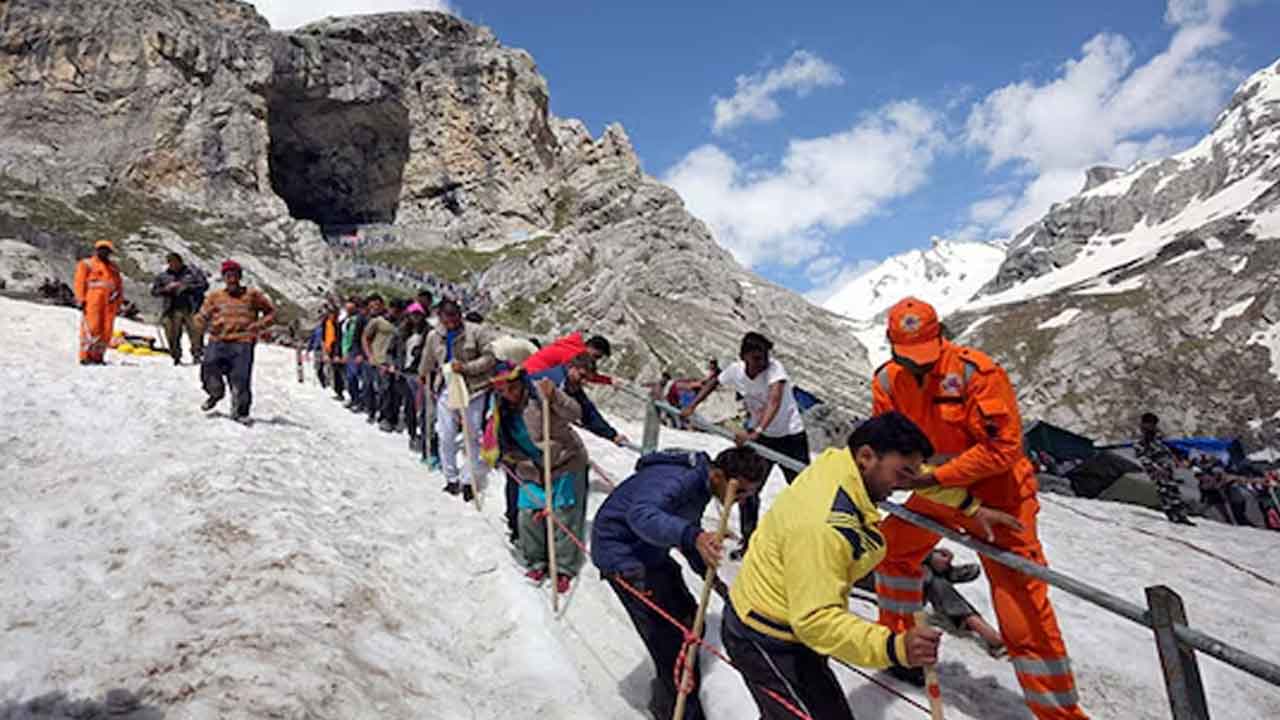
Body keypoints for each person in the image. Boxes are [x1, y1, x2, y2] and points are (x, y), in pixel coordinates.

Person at [871, 297, 1088, 719]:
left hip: (999, 496)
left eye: (925, 357)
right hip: (940, 492)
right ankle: (901, 651)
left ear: (942, 337)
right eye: (908, 359)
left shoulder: (977, 372)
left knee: (1021, 604)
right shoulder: (886, 382)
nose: (918, 367)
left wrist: (936, 477)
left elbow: (1004, 448)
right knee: (891, 550)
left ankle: (1058, 713)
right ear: (892, 347)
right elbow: (889, 439)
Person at [724, 412, 992, 720]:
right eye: (902, 474)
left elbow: (915, 473)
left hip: (786, 617)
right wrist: (894, 647)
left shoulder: (841, 466)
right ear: (866, 456)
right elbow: (815, 620)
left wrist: (968, 505)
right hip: (766, 637)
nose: (908, 484)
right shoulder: (823, 527)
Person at [593, 446, 772, 720]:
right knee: (670, 640)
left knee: (689, 618)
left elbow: (686, 528)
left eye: (747, 495)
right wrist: (694, 536)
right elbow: (642, 516)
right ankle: (679, 712)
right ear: (718, 476)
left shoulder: (702, 485)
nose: (739, 501)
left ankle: (670, 696)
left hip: (650, 551)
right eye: (738, 492)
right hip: (624, 557)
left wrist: (707, 571)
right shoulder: (677, 481)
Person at [681, 332, 810, 560]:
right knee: (749, 490)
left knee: (803, 490)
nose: (762, 363)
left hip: (791, 437)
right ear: (744, 357)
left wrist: (756, 431)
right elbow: (713, 383)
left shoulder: (775, 370)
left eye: (764, 358)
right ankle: (749, 541)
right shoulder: (736, 370)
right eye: (757, 358)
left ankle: (807, 543)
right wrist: (692, 406)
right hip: (762, 437)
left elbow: (774, 400)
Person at [493, 365, 588, 593]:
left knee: (564, 516)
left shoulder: (541, 392)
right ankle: (537, 561)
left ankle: (564, 567)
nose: (509, 394)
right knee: (528, 516)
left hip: (564, 462)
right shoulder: (500, 408)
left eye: (512, 387)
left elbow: (576, 413)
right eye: (503, 389)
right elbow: (497, 437)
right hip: (529, 467)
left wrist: (554, 396)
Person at [854, 548, 1005, 657]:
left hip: (875, 563)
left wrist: (929, 555)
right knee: (926, 577)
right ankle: (946, 575)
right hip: (861, 573)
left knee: (924, 573)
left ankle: (943, 572)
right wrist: (929, 557)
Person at [419, 298, 495, 501]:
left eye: (454, 317)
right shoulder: (434, 336)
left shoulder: (477, 332)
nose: (451, 322)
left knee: (472, 434)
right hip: (446, 387)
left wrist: (466, 367)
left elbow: (490, 357)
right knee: (445, 434)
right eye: (447, 318)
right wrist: (422, 374)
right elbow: (428, 359)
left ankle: (469, 480)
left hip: (474, 389)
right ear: (441, 318)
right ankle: (450, 477)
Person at [194, 260, 276, 424]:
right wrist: (200, 327)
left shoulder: (252, 295)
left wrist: (258, 326)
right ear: (224, 278)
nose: (231, 279)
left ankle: (240, 411)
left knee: (240, 377)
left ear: (239, 277)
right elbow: (201, 317)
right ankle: (215, 393)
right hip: (218, 340)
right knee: (209, 368)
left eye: (234, 275)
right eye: (228, 276)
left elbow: (271, 313)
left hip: (243, 341)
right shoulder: (215, 297)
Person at [1135, 412, 1195, 526]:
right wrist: (1155, 468)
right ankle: (1173, 515)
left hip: (1166, 468)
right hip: (1157, 471)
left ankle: (1181, 515)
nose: (1152, 427)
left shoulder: (1157, 438)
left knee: (1174, 491)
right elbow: (1142, 457)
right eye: (1150, 424)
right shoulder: (1142, 440)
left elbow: (1166, 451)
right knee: (1165, 492)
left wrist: (1174, 462)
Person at [149, 252, 208, 365]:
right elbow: (154, 291)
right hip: (171, 309)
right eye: (170, 262)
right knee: (172, 334)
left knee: (195, 332)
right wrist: (166, 289)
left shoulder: (192, 273)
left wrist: (187, 287)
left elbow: (203, 286)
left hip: (191, 307)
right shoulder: (163, 276)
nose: (173, 265)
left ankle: (197, 354)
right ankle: (176, 356)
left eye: (175, 262)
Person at [73, 240, 124, 365]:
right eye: (101, 249)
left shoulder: (113, 268)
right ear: (96, 250)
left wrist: (119, 303)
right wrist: (81, 299)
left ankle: (98, 356)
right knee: (91, 328)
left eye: (107, 250)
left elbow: (119, 287)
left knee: (106, 331)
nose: (104, 252)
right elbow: (79, 282)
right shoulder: (87, 264)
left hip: (109, 303)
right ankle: (85, 356)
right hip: (93, 301)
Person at [361, 295, 398, 429]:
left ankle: (392, 417)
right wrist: (369, 356)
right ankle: (383, 417)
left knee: (392, 391)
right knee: (384, 389)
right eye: (393, 308)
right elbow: (365, 338)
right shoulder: (377, 322)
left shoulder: (400, 323)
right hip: (379, 360)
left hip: (393, 361)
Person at [522, 330, 612, 375]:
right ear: (590, 347)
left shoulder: (572, 345)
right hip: (534, 373)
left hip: (529, 368)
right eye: (596, 356)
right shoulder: (576, 354)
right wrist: (609, 381)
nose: (595, 360)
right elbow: (585, 374)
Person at [341, 298, 367, 413]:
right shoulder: (347, 320)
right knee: (349, 377)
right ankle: (353, 398)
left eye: (350, 308)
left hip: (356, 351)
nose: (348, 309)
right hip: (347, 350)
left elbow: (363, 337)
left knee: (355, 376)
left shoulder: (361, 319)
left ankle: (358, 400)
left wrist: (361, 353)